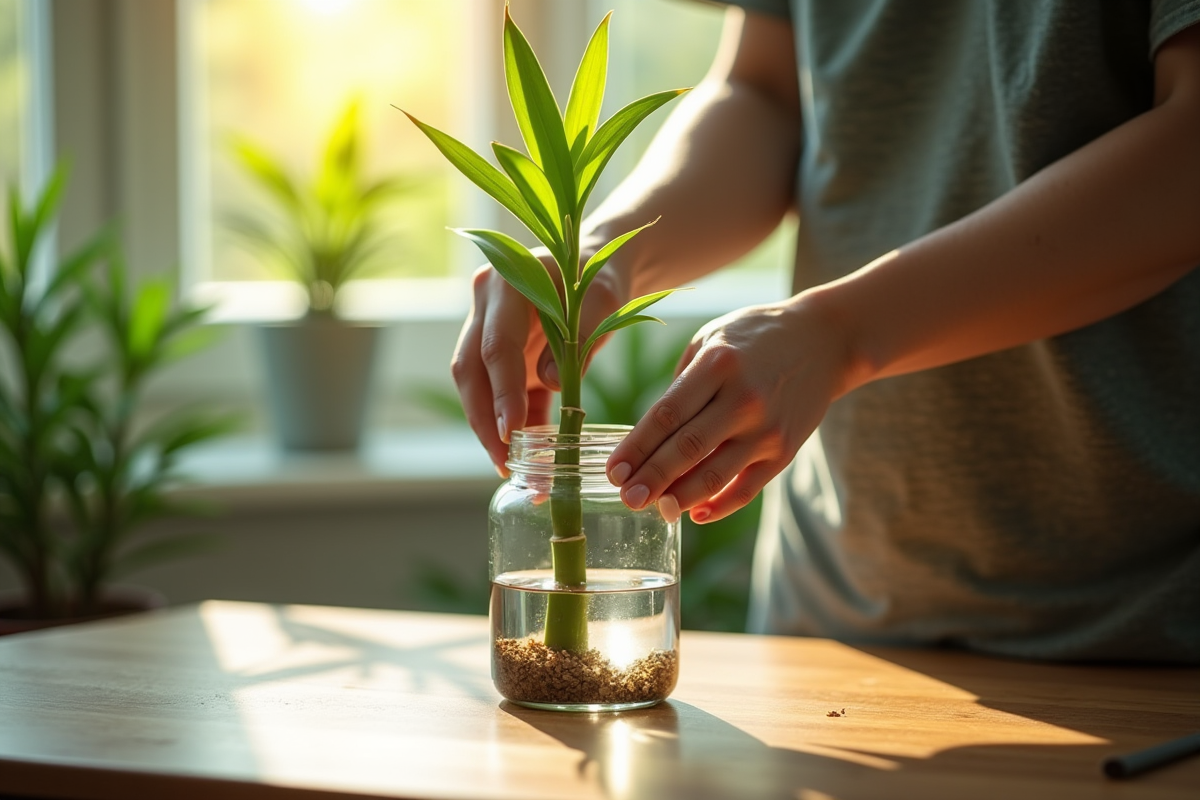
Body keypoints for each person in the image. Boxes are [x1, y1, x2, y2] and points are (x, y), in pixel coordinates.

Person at [452, 0, 1200, 663]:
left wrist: (840, 333)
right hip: (836, 602)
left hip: (1136, 617)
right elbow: (766, 90)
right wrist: (606, 256)